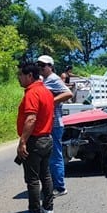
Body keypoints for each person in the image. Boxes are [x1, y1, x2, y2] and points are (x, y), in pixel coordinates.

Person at [15, 61, 55, 213]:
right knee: (45, 175)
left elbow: (31, 118)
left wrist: (22, 142)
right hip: (47, 138)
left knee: (32, 179)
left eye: (20, 75)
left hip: (35, 140)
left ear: (29, 75)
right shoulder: (46, 91)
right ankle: (48, 208)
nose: (19, 78)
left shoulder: (32, 93)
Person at [37, 55, 73, 197]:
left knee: (55, 156)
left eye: (43, 65)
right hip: (47, 123)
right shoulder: (43, 80)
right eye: (39, 65)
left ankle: (60, 187)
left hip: (55, 123)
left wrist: (50, 101)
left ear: (50, 66)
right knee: (48, 156)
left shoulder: (54, 79)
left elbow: (68, 93)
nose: (41, 67)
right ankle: (52, 184)